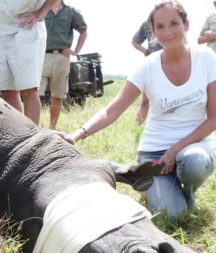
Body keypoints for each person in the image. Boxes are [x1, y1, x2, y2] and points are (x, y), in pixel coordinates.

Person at [58, 0, 216, 218]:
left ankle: (187, 192)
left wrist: (176, 149)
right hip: (156, 154)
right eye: (160, 27)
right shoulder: (147, 67)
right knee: (172, 215)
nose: (168, 32)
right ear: (152, 31)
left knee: (195, 162)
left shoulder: (206, 59)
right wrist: (77, 135)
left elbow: (213, 118)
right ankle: (158, 188)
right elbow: (111, 111)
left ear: (186, 24)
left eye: (174, 24)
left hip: (194, 148)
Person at [0, 0, 58, 125]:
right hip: (2, 28)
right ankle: (16, 136)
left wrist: (39, 13)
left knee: (29, 90)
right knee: (7, 91)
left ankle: (31, 141)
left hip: (26, 27)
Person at [39, 0, 87, 129]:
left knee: (58, 94)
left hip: (62, 57)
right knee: (35, 92)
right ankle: (33, 127)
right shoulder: (40, 7)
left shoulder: (71, 11)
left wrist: (76, 51)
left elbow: (84, 30)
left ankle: (52, 128)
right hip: (41, 55)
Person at [132, 20, 162, 125]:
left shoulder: (173, 19)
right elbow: (134, 41)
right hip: (153, 65)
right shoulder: (146, 24)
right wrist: (146, 52)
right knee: (145, 101)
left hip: (172, 65)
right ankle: (137, 127)